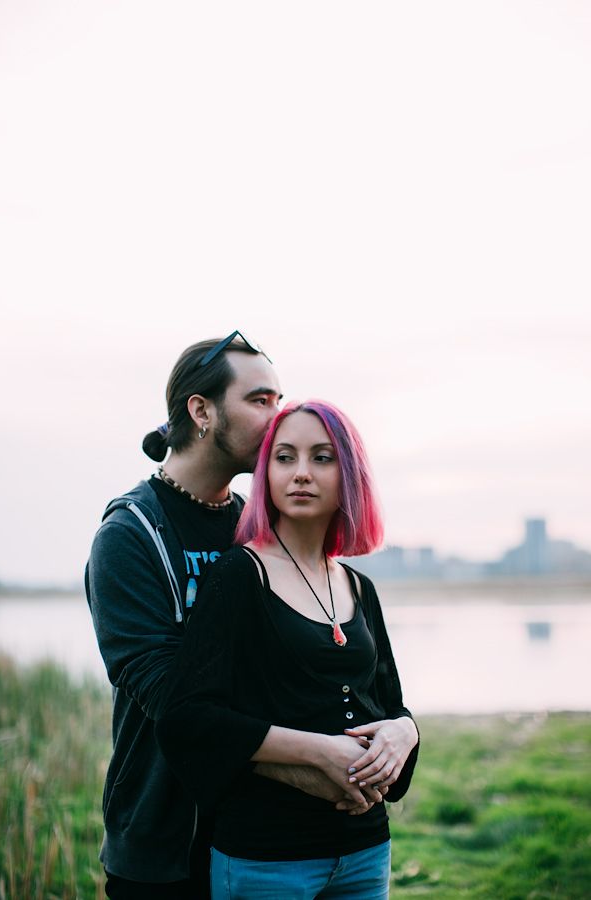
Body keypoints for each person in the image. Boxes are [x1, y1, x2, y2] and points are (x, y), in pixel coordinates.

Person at [156, 400, 420, 900]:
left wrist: (405, 732)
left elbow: (389, 705)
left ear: (350, 475)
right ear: (266, 475)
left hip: (365, 851)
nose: (301, 473)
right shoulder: (239, 576)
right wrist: (320, 751)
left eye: (322, 457)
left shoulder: (359, 587)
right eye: (284, 457)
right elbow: (187, 718)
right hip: (268, 858)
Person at [86, 332, 286, 898]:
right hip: (165, 847)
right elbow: (168, 696)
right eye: (260, 400)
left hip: (261, 838)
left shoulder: (259, 527)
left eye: (279, 401)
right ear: (201, 411)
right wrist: (312, 758)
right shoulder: (130, 534)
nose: (278, 417)